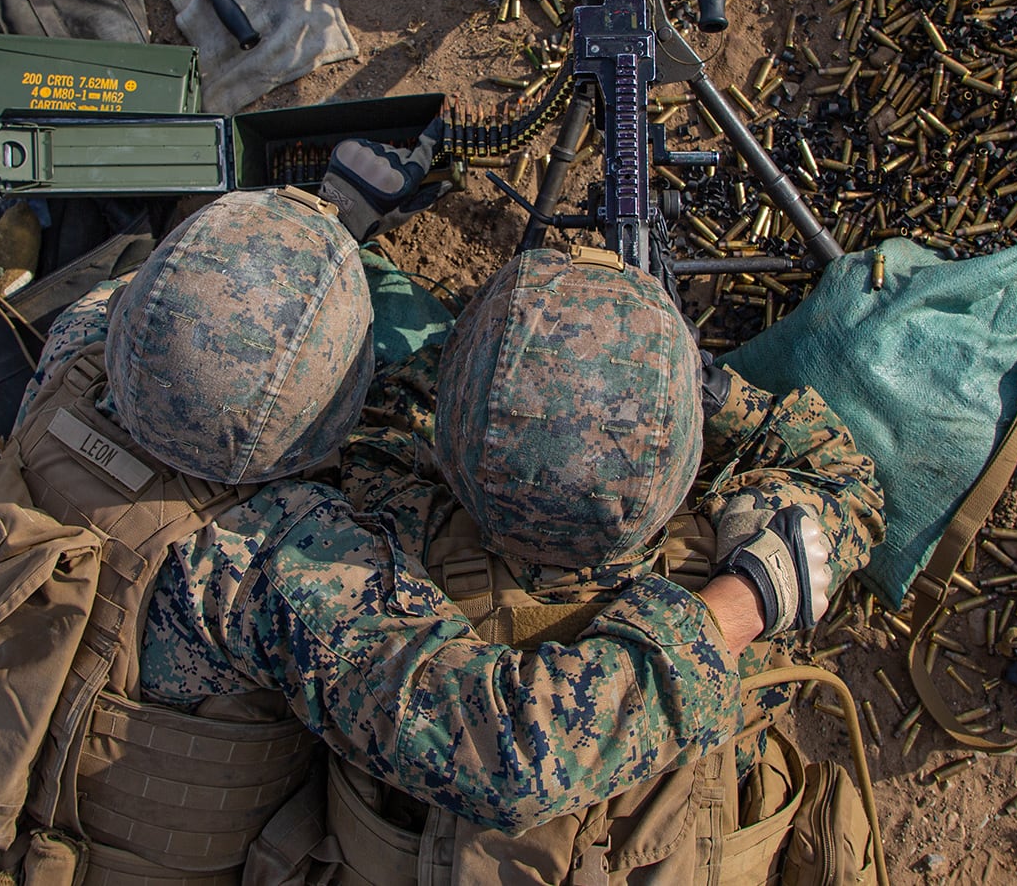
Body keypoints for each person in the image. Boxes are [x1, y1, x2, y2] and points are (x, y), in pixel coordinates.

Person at [0, 138, 851, 886]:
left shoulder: (74, 362)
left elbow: (172, 308)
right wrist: (733, 607)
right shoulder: (272, 568)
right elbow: (505, 751)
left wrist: (321, 222)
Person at [321, 245, 887, 884]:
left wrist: (504, 357)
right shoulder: (743, 601)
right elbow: (838, 470)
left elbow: (385, 422)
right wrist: (704, 388)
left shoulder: (395, 549)